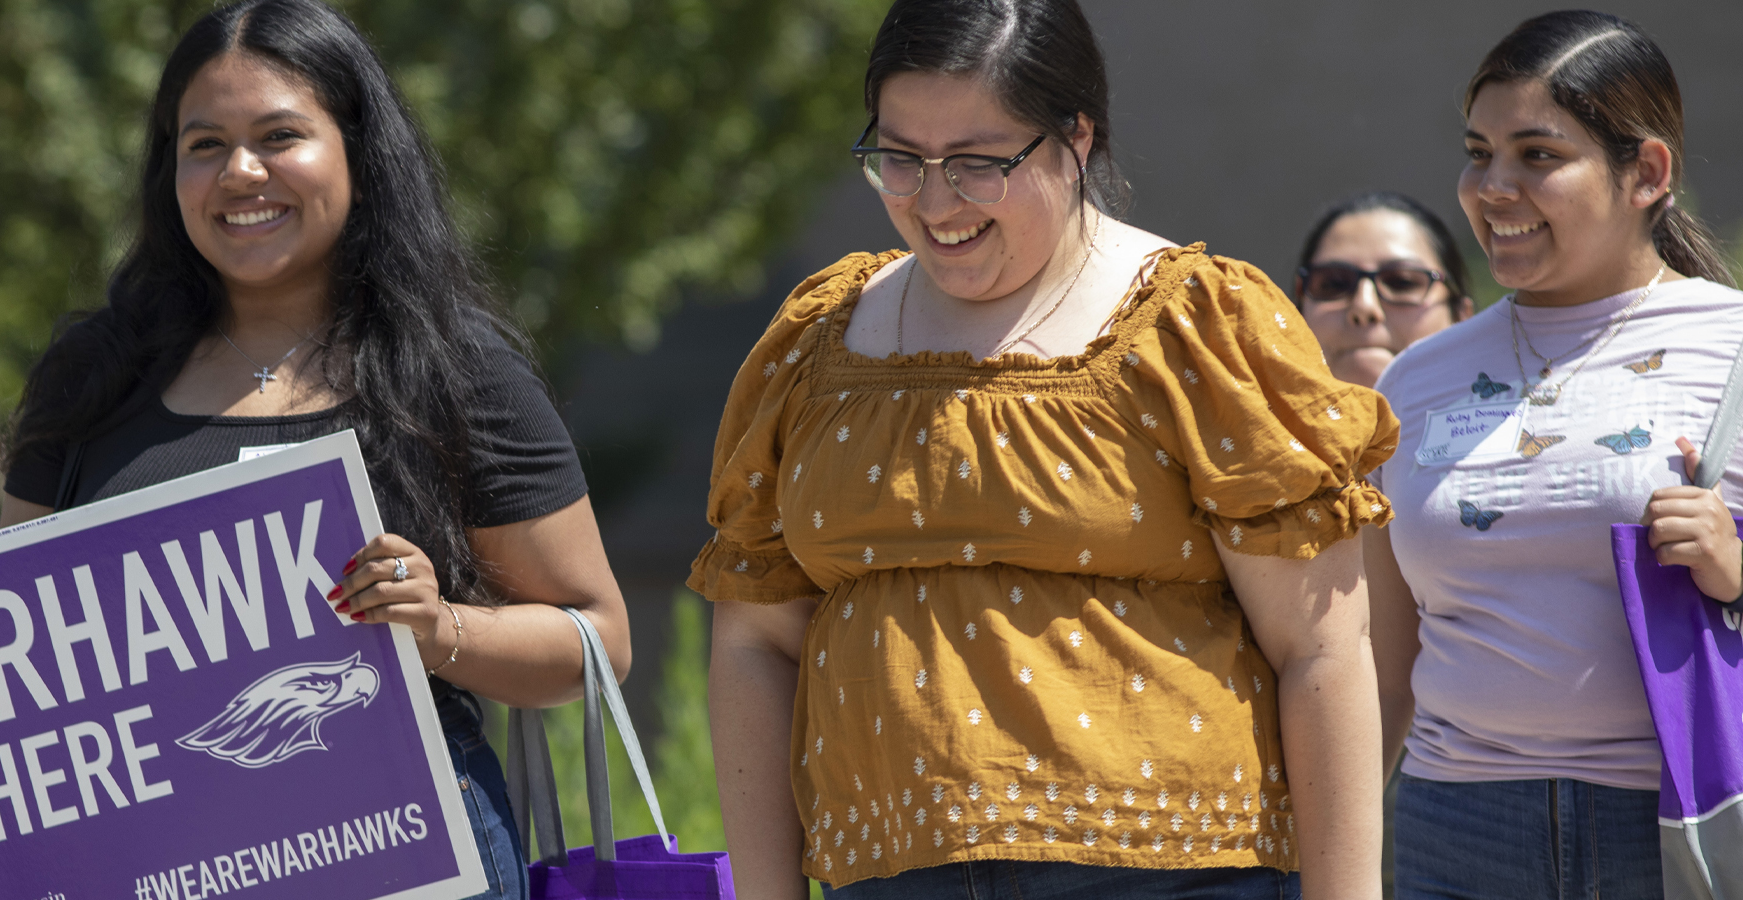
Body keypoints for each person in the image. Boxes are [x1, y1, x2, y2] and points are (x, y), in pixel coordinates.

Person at [0, 2, 629, 898]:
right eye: (203, 146)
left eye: (280, 137)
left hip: (405, 865)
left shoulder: (456, 368)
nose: (240, 174)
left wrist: (436, 629)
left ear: (360, 155)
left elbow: (599, 641)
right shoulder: (93, 375)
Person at [695, 1, 1395, 898]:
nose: (935, 201)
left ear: (1075, 138)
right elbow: (755, 643)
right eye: (901, 159)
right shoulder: (814, 340)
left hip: (1170, 877)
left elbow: (1322, 649)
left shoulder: (1195, 324)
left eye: (980, 165)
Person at [1367, 11, 1740, 899]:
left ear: (1646, 172)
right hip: (1450, 827)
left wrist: (1736, 565)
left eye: (1537, 155)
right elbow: (1377, 662)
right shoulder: (1416, 380)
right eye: (1479, 151)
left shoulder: (1731, 345)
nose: (1493, 187)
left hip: (1678, 826)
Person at [1293, 192, 1474, 388]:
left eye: (1401, 282)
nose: (1364, 307)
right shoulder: (1258, 415)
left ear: (1461, 318)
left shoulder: (1510, 417)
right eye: (1334, 284)